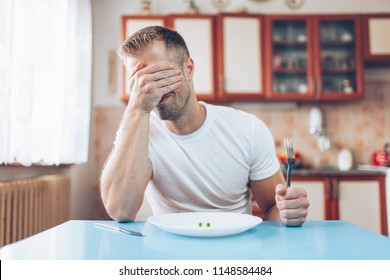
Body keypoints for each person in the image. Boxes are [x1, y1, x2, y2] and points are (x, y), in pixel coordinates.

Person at [100, 26, 309, 226]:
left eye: (159, 75)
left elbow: (272, 206)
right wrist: (137, 109)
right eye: (140, 81)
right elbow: (119, 210)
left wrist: (288, 211)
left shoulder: (248, 129)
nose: (151, 89)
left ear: (188, 69)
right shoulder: (137, 129)